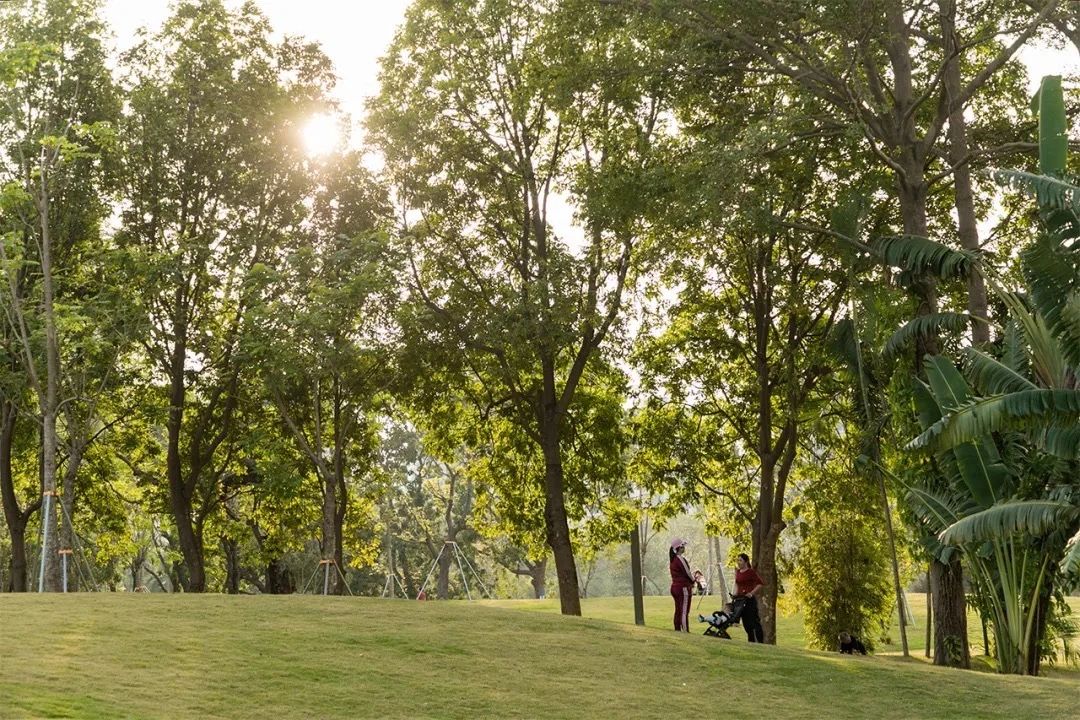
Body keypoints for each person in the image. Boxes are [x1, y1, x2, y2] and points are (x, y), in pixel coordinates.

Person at [734, 553, 765, 643]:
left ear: (746, 561)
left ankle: (761, 642)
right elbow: (737, 584)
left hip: (749, 601)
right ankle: (750, 641)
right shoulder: (738, 572)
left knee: (754, 622)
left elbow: (760, 584)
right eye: (738, 560)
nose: (738, 562)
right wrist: (735, 594)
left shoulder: (750, 572)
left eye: (740, 560)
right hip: (740, 600)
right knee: (746, 624)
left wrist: (751, 593)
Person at [669, 538, 695, 632]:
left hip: (675, 587)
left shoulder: (673, 560)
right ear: (679, 548)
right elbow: (687, 572)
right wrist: (693, 580)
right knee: (684, 610)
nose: (684, 548)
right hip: (682, 588)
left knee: (678, 610)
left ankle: (677, 629)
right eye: (683, 546)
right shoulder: (680, 558)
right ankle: (685, 630)